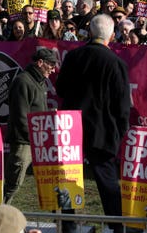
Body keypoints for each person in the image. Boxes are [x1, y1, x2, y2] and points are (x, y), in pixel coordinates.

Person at [56, 14, 130, 233]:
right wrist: (120, 130)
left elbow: (60, 89)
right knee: (107, 181)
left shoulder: (73, 56)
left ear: (90, 32)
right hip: (102, 130)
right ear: (111, 35)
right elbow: (123, 104)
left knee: (67, 179)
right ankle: (117, 225)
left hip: (72, 128)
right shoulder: (116, 63)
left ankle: (68, 225)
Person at [4, 49, 58, 204]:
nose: (53, 70)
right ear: (40, 63)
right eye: (51, 65)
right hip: (24, 142)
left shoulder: (37, 82)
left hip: (35, 140)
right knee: (13, 183)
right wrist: (35, 139)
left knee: (49, 180)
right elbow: (20, 116)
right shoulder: (23, 81)